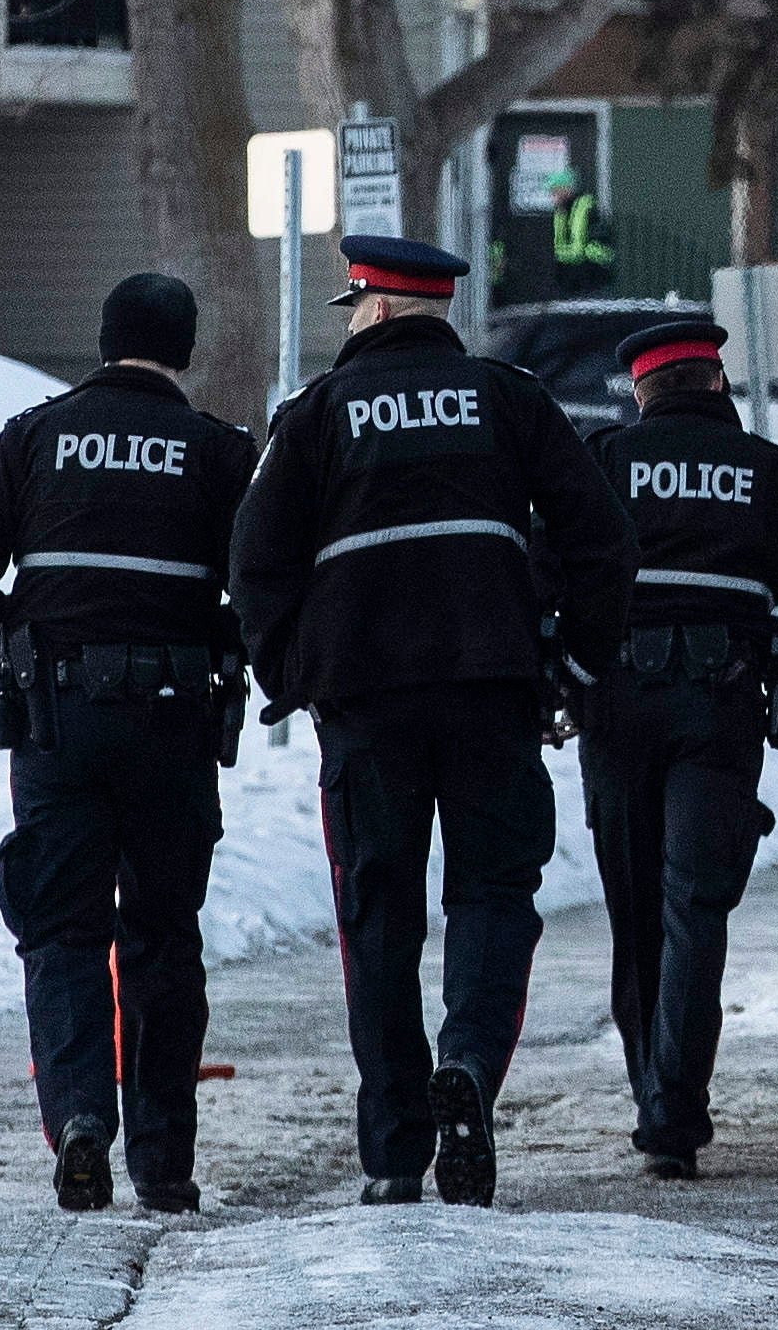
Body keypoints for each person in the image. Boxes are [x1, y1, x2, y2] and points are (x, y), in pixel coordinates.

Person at [228, 233, 631, 1206]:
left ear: (370, 307)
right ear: (437, 310)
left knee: (379, 918)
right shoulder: (508, 397)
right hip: (494, 690)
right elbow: (603, 535)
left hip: (363, 705)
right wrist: (573, 661)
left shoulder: (317, 412)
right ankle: (467, 1069)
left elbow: (256, 557)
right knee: (494, 894)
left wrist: (291, 671)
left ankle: (395, 1149)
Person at [0, 273, 257, 1216]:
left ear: (103, 340)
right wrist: (223, 640)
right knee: (162, 936)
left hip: (58, 722)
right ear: (183, 350)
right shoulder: (219, 452)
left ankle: (77, 1122)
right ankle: (163, 1159)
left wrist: (14, 635)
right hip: (173, 721)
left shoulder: (34, 436)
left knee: (62, 931)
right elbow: (264, 585)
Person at [578, 314, 778, 1178]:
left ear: (641, 390)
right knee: (694, 905)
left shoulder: (606, 462)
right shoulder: (764, 472)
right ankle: (675, 1109)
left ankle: (654, 1096)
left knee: (636, 908)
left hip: (618, 705)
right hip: (719, 707)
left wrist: (550, 689)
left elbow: (549, 573)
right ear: (717, 385)